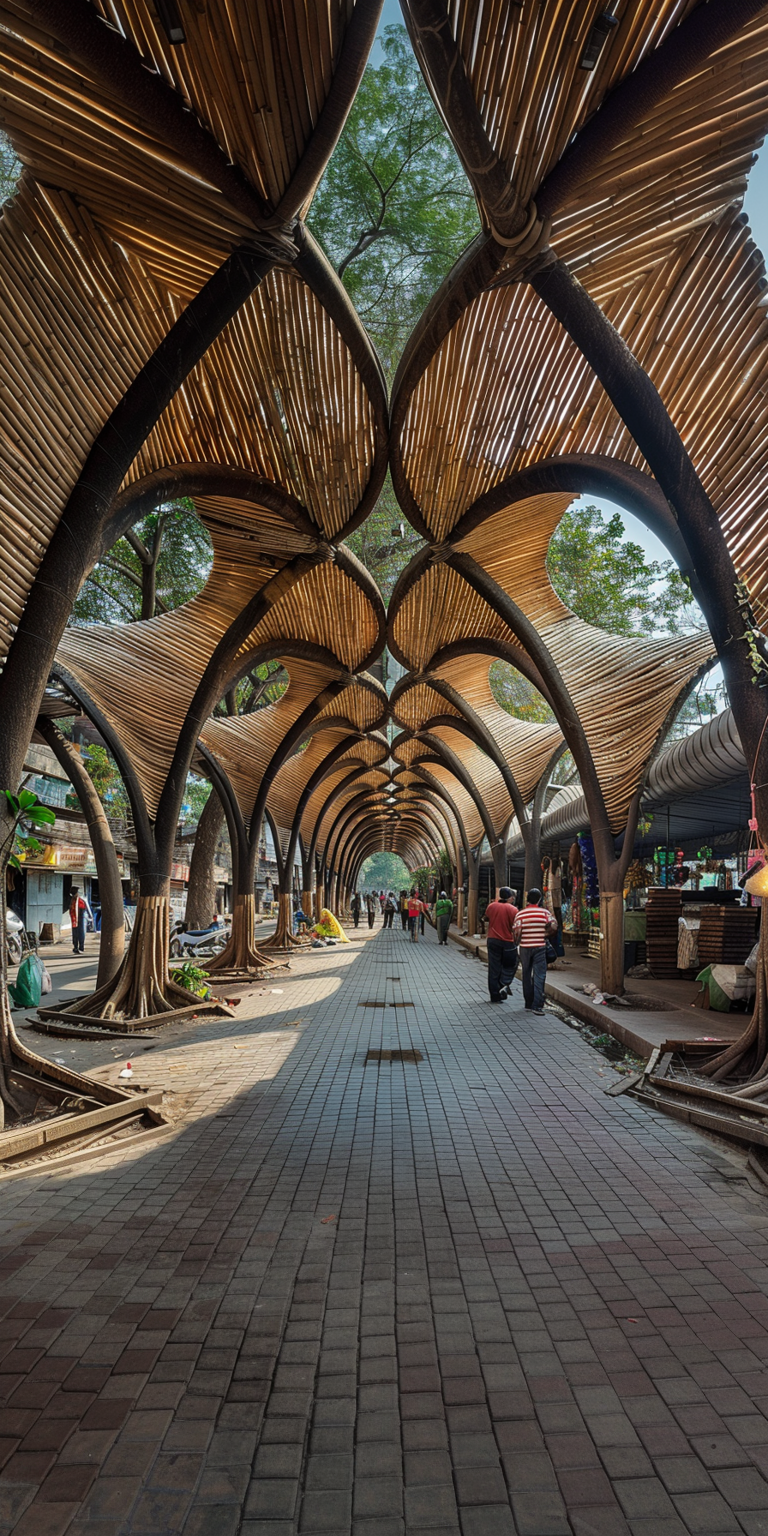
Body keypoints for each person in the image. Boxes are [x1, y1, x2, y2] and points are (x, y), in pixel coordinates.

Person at [514, 888, 558, 1014]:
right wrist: (546, 934)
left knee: (526, 974)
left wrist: (517, 943)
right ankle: (537, 1005)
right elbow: (554, 926)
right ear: (539, 899)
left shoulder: (520, 914)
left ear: (527, 899)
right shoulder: (545, 913)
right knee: (539, 975)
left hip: (525, 948)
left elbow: (516, 932)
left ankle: (528, 1003)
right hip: (539, 947)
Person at [485, 886, 519, 1002]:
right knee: (510, 966)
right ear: (510, 897)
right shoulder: (513, 910)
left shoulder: (491, 906)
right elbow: (514, 926)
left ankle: (494, 995)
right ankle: (502, 985)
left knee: (494, 968)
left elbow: (487, 918)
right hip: (507, 942)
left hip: (492, 940)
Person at [68, 886, 92, 955]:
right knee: (75, 932)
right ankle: (75, 946)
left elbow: (87, 909)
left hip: (82, 916)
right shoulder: (72, 900)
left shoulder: (82, 899)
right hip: (75, 918)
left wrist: (90, 918)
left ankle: (81, 947)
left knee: (81, 932)